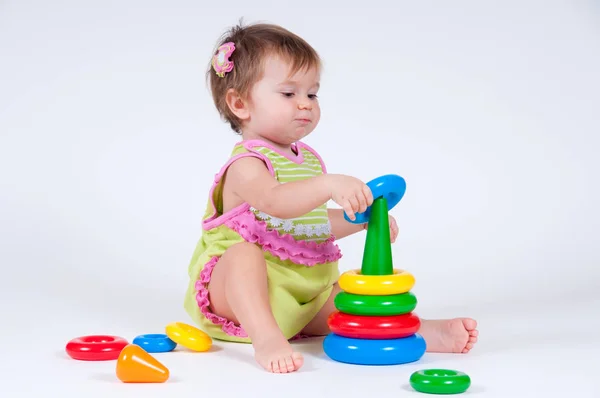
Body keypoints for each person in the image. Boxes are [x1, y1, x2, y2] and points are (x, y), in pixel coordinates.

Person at [183, 21, 478, 374]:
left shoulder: (306, 160)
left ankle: (416, 331)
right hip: (238, 297)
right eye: (289, 94)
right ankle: (266, 338)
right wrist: (328, 185)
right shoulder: (246, 165)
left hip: (301, 298)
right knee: (243, 255)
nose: (305, 104)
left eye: (312, 94)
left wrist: (360, 220)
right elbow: (277, 201)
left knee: (349, 299)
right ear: (240, 103)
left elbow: (308, 224)